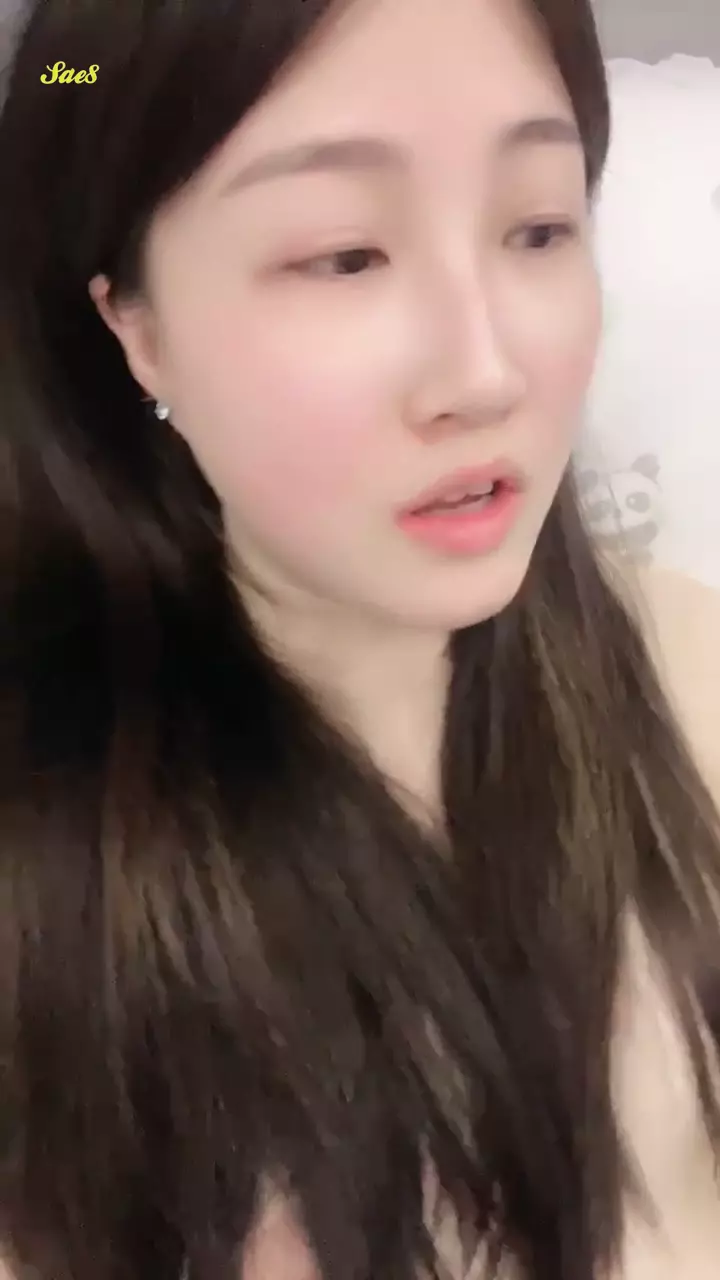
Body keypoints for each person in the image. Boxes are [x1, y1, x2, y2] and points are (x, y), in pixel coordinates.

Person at [1, 0, 719, 1277]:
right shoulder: (50, 915)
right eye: (345, 256)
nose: (485, 369)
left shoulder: (686, 660)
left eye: (539, 228)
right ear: (133, 324)